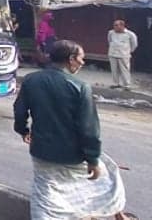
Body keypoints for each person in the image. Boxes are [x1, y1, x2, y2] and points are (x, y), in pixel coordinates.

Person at [13, 40, 135, 220]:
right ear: (71, 59)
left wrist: (23, 130)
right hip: (73, 156)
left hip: (41, 152)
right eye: (81, 58)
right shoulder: (80, 87)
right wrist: (93, 159)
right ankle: (117, 216)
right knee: (106, 176)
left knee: (45, 195)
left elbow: (19, 110)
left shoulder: (31, 80)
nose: (82, 63)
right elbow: (89, 129)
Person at [108, 19, 138, 90]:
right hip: (113, 53)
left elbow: (134, 44)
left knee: (125, 70)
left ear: (122, 26)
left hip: (124, 54)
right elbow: (109, 41)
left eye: (116, 25)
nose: (114, 27)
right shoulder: (111, 33)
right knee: (114, 69)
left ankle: (127, 84)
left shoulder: (130, 34)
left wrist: (129, 51)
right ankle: (116, 83)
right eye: (114, 25)